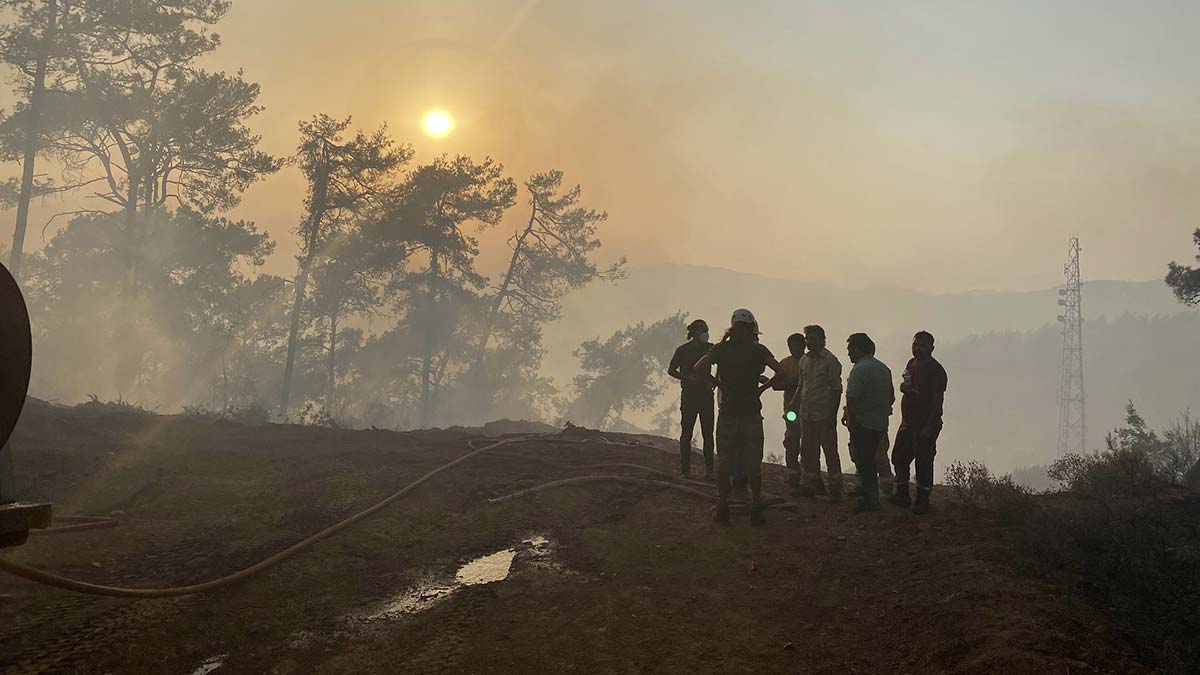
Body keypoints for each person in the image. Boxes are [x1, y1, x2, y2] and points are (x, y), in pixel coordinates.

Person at [694, 308, 782, 526]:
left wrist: (719, 384)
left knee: (724, 461)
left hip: (728, 412)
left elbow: (698, 368)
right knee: (753, 463)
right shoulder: (758, 350)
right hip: (751, 411)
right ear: (752, 328)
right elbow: (781, 372)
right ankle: (755, 508)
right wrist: (760, 391)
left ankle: (723, 506)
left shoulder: (720, 349)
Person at [891, 331, 948, 515]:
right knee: (899, 457)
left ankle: (923, 501)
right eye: (916, 345)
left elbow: (937, 400)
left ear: (932, 348)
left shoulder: (937, 371)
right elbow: (906, 383)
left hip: (925, 423)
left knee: (923, 462)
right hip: (908, 421)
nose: (918, 349)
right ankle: (902, 496)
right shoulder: (911, 363)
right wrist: (903, 388)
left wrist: (930, 426)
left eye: (922, 345)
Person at [786, 325, 844, 499]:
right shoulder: (804, 361)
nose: (809, 341)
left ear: (822, 339)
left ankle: (835, 489)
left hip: (823, 414)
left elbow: (836, 389)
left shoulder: (830, 361)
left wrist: (832, 415)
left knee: (830, 451)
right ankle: (811, 485)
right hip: (806, 413)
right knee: (808, 451)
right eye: (807, 338)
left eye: (813, 338)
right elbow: (801, 386)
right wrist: (793, 404)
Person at [843, 333, 894, 512]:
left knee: (864, 462)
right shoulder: (883, 369)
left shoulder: (859, 369)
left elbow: (852, 398)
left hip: (862, 424)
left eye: (850, 349)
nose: (848, 353)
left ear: (857, 349)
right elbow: (891, 397)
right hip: (879, 423)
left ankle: (870, 500)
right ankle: (876, 494)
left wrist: (851, 419)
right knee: (874, 459)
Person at [668, 319, 716, 479]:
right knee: (686, 433)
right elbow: (671, 370)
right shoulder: (682, 350)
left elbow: (723, 364)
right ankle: (685, 470)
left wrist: (715, 382)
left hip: (706, 395)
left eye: (707, 330)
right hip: (689, 396)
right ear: (694, 333)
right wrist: (686, 378)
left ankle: (710, 471)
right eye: (703, 331)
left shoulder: (712, 349)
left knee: (708, 434)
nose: (706, 334)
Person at [762, 333, 806, 488]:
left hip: (809, 409)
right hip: (791, 410)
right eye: (791, 346)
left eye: (797, 345)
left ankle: (809, 476)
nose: (794, 348)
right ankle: (794, 474)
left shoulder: (809, 362)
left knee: (809, 444)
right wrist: (793, 384)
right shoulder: (785, 364)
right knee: (792, 441)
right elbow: (776, 385)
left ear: (804, 345)